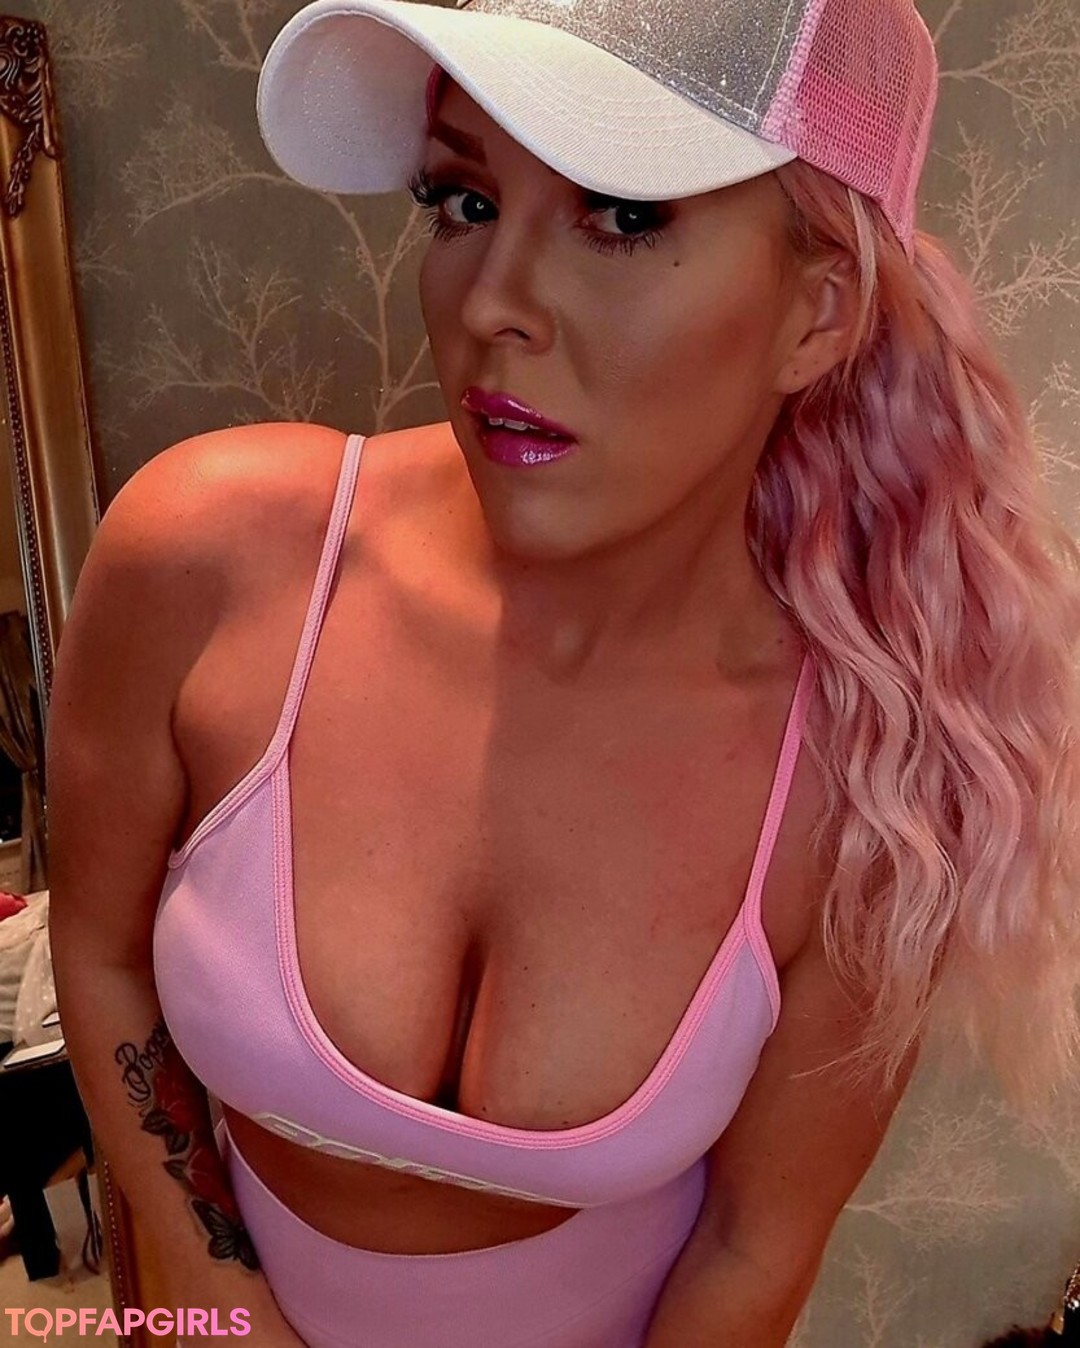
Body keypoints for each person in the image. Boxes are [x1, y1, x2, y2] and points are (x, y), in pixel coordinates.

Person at [46, 0, 1080, 1345]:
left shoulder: (871, 775)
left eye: (623, 213)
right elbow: (100, 953)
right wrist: (214, 1301)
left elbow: (754, 1245)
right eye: (463, 201)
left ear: (818, 312)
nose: (492, 304)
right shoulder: (211, 559)